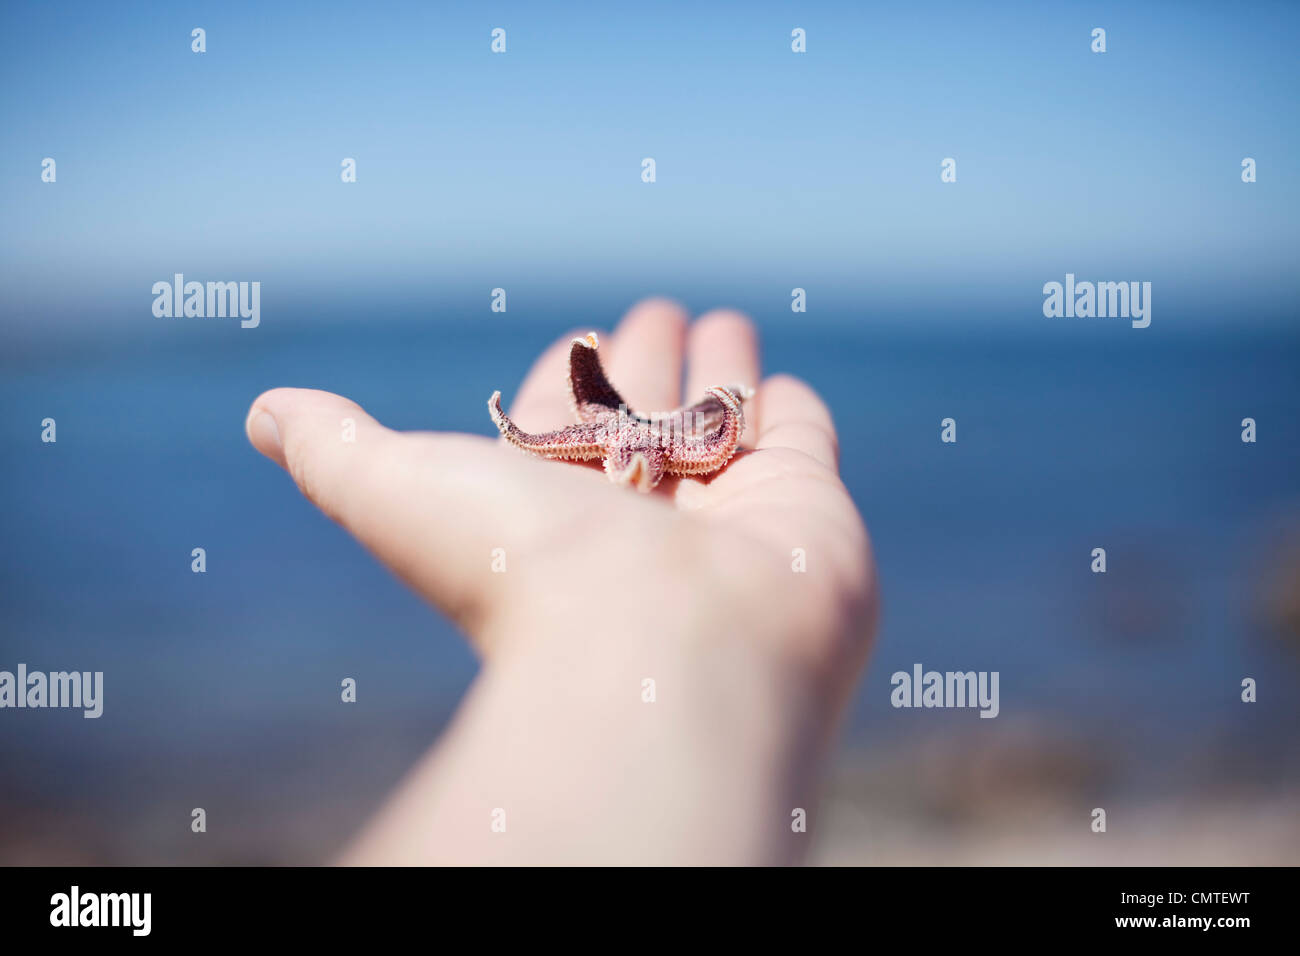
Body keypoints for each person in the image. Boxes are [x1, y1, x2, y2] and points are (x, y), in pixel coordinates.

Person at [244, 299, 877, 864]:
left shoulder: (643, 436)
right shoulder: (632, 433)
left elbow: (673, 432)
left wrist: (719, 409)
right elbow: (633, 428)